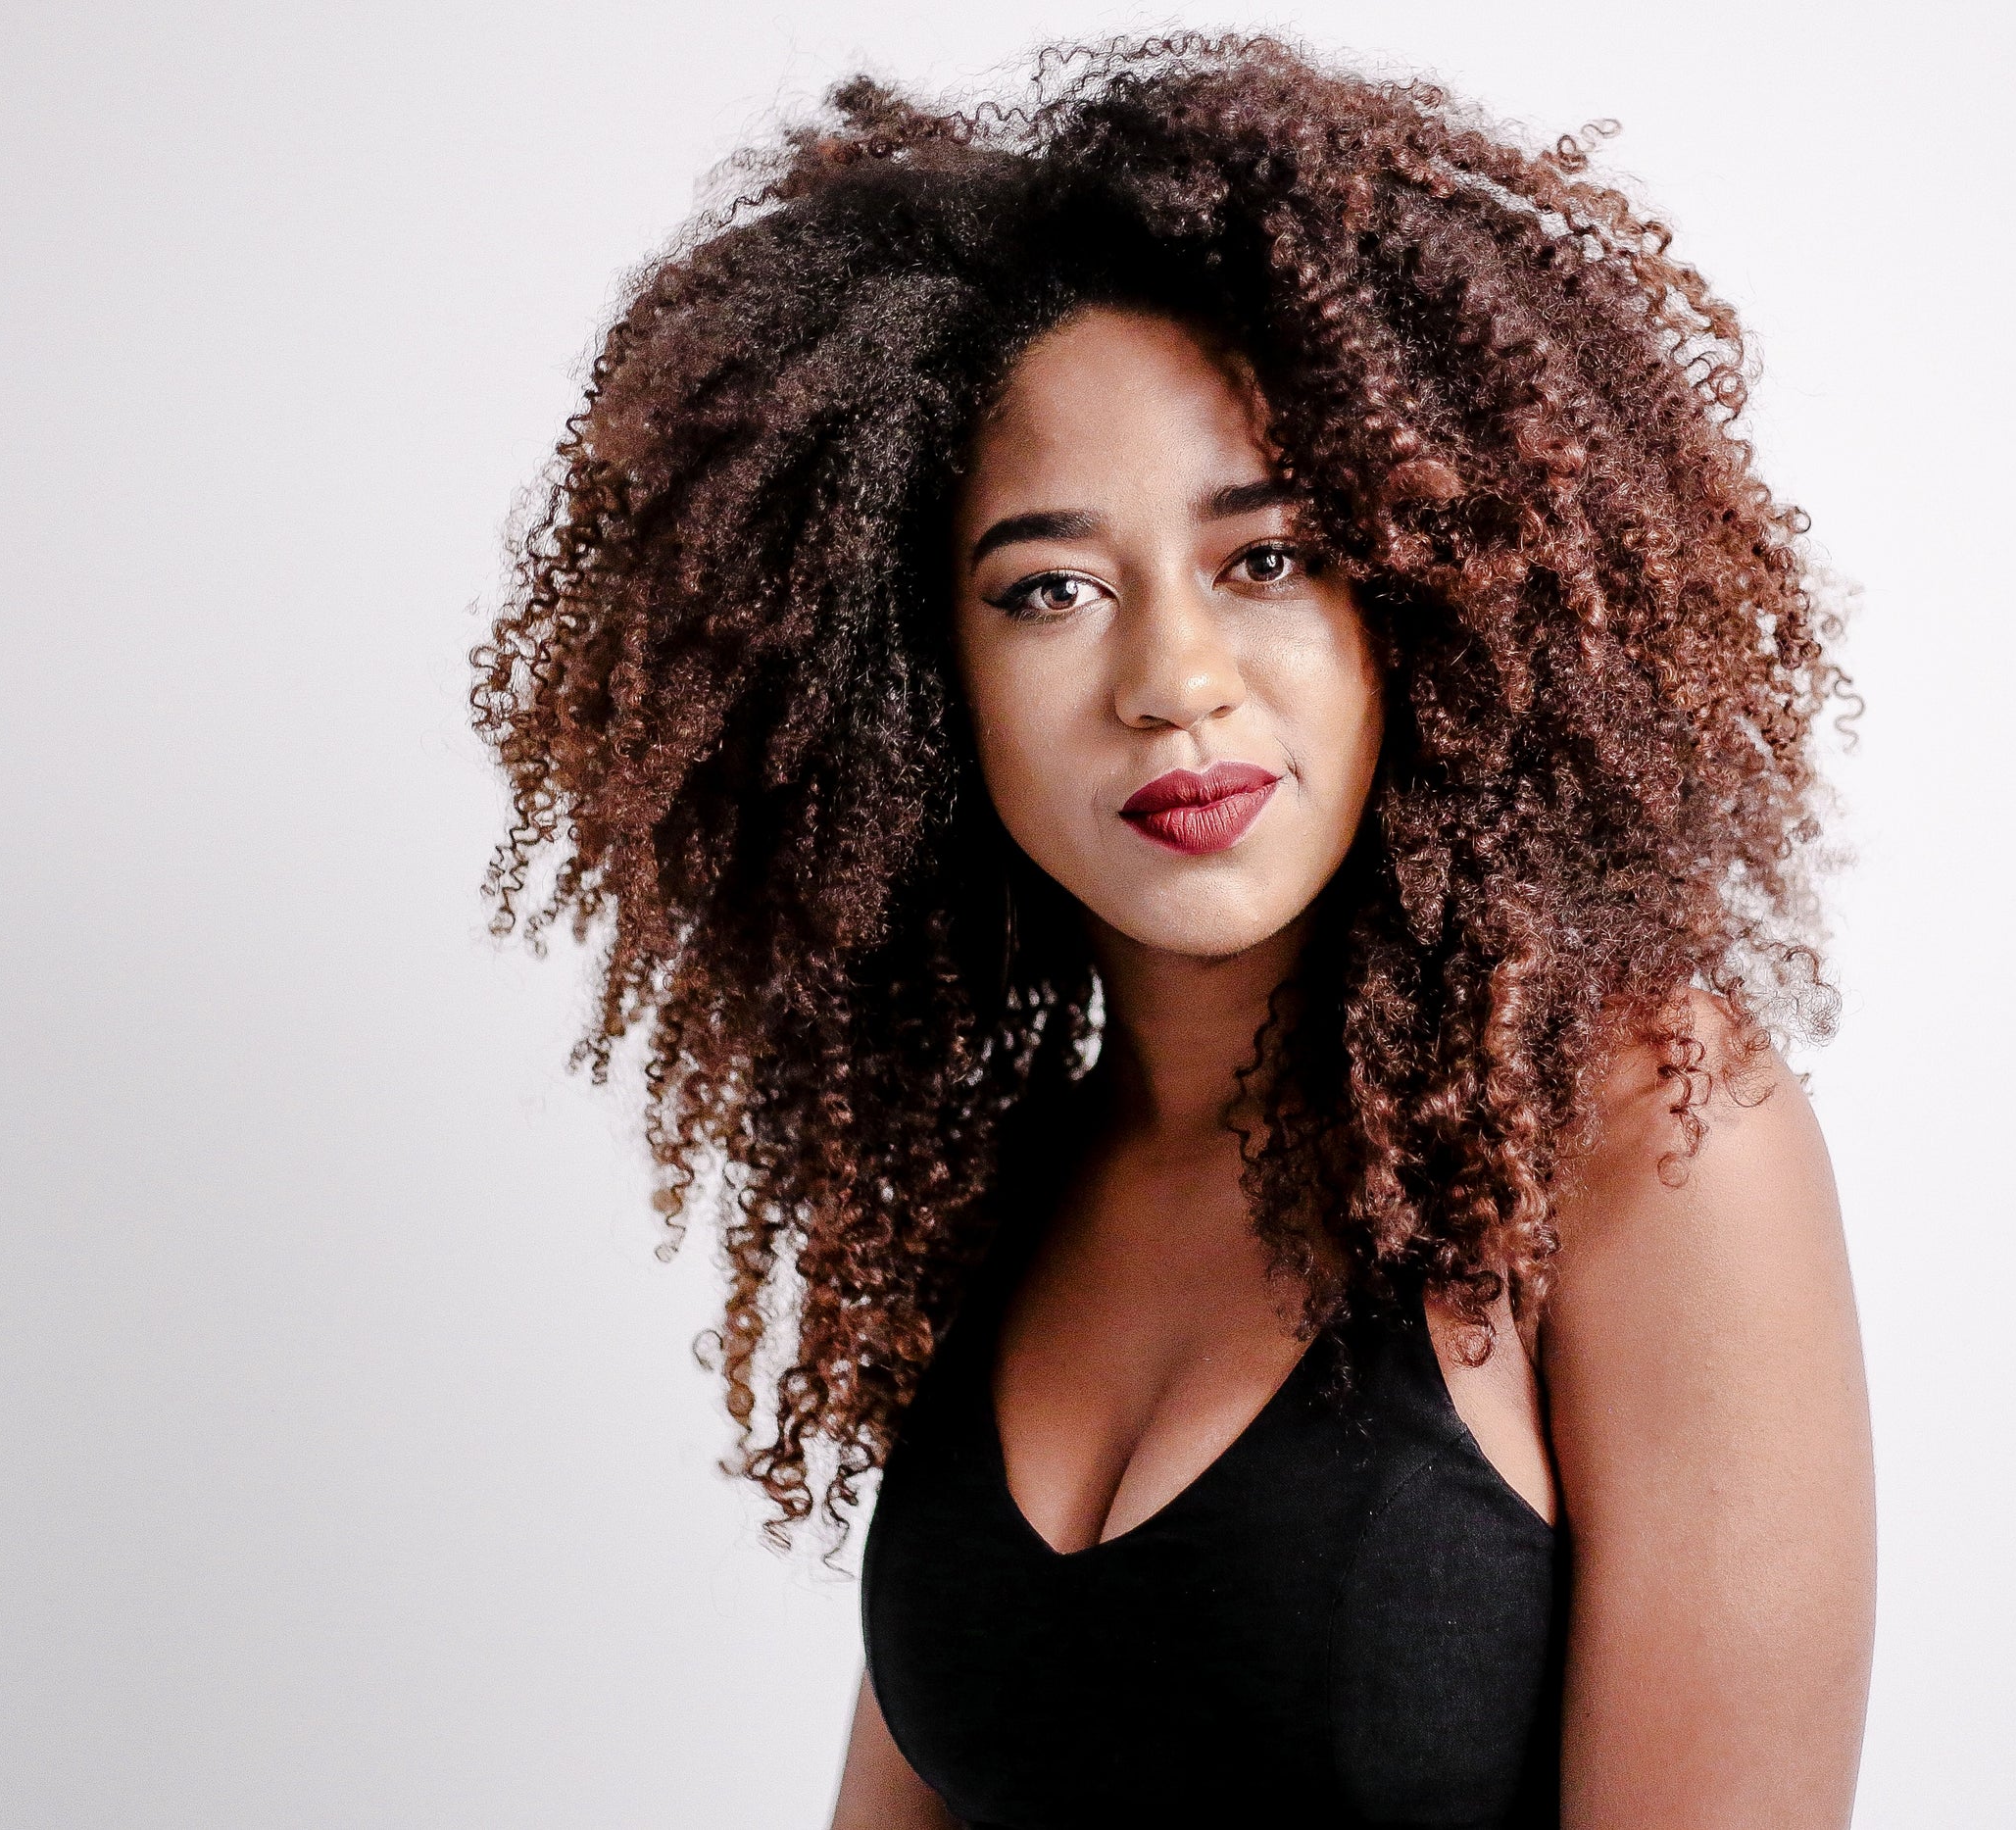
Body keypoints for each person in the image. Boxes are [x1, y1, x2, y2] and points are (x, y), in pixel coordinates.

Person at [472, 33, 1872, 1829]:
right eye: (1050, 591)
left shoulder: (1639, 1134)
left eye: (1268, 558)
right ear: (916, 686)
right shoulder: (1016, 1182)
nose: (1174, 686)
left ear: (1422, 590)